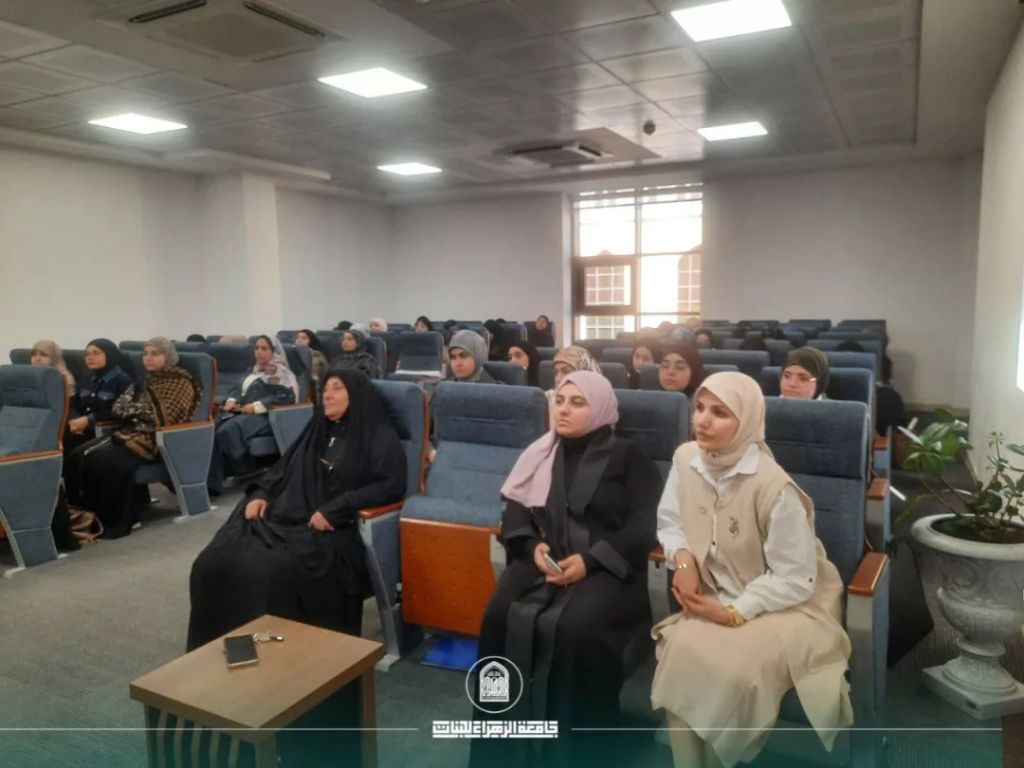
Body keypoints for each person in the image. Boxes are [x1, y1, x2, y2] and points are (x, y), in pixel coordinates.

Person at [651, 372, 852, 768]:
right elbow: (670, 521)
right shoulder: (686, 458)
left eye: (720, 413)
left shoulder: (773, 486)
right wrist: (684, 560)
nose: (702, 420)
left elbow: (795, 578)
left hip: (788, 605)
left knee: (731, 672)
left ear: (746, 422)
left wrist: (733, 611)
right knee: (681, 653)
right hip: (716, 593)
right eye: (700, 408)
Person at [473, 371, 660, 767]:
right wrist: (531, 546)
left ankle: (573, 754)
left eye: (577, 403)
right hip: (545, 558)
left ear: (602, 409)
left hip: (608, 565)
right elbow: (515, 512)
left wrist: (590, 560)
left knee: (576, 630)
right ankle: (501, 751)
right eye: (559, 400)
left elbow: (645, 524)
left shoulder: (629, 456)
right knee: (498, 616)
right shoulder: (541, 452)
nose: (563, 410)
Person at [188, 369, 406, 649]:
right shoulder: (317, 428)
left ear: (357, 395)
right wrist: (262, 493)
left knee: (268, 574)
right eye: (325, 388)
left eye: (337, 388)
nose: (327, 395)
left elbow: (389, 485)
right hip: (288, 518)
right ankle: (218, 650)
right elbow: (282, 469)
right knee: (214, 562)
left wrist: (338, 508)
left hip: (334, 530)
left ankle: (281, 657)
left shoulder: (377, 436)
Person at [64, 338, 201, 539]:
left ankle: (119, 519)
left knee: (103, 461)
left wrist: (135, 411)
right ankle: (85, 518)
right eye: (145, 354)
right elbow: (118, 408)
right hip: (129, 432)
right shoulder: (144, 380)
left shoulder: (181, 381)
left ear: (168, 356)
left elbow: (164, 417)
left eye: (154, 354)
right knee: (77, 456)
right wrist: (138, 411)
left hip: (155, 440)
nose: (148, 358)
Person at [207, 335, 298, 495]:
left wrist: (256, 406)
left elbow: (286, 396)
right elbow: (237, 389)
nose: (258, 352)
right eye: (256, 348)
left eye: (264, 348)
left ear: (274, 351)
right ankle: (213, 482)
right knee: (212, 430)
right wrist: (232, 400)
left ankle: (245, 471)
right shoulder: (252, 370)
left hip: (267, 417)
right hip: (243, 414)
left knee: (227, 431)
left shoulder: (281, 373)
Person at [65, 338, 134, 455]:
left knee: (76, 453)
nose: (90, 357)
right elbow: (74, 404)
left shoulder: (123, 380)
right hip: (81, 429)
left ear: (109, 354)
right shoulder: (86, 377)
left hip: (107, 431)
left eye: (96, 353)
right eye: (87, 354)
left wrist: (89, 420)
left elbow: (121, 413)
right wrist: (74, 420)